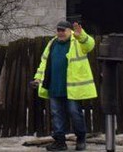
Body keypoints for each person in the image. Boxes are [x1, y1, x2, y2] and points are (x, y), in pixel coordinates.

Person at [32, 20, 97, 151]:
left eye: (63, 30)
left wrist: (82, 35)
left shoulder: (77, 41)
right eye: (58, 30)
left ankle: (81, 138)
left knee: (75, 112)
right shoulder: (52, 43)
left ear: (70, 31)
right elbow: (44, 62)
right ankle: (60, 142)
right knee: (56, 115)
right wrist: (38, 78)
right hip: (54, 86)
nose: (60, 33)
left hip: (72, 88)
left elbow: (90, 45)